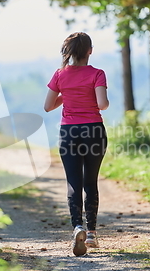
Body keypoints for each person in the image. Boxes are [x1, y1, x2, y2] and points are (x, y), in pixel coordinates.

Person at [44, 32, 109, 256]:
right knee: (90, 181)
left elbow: (48, 106)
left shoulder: (60, 74)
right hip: (93, 131)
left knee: (73, 182)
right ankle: (91, 234)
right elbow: (103, 105)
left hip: (68, 132)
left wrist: (68, 94)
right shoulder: (97, 74)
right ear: (90, 51)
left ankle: (77, 227)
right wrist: (93, 94)